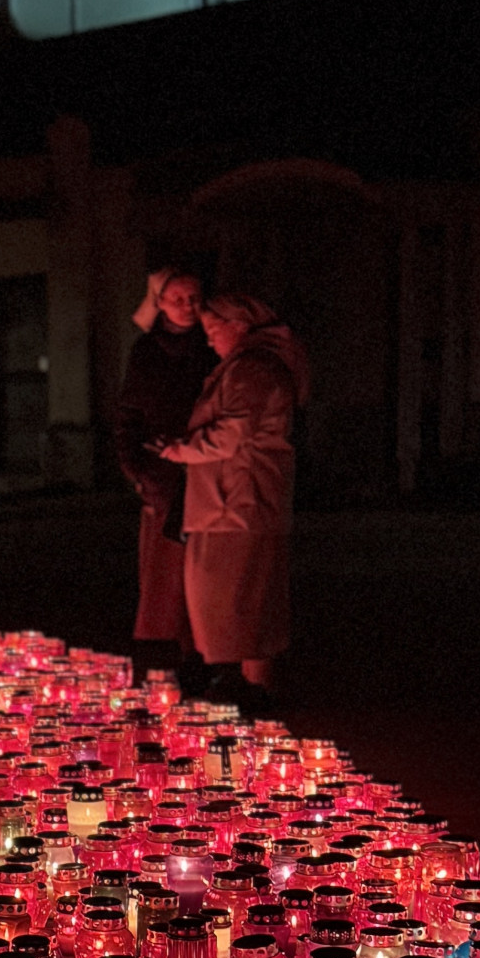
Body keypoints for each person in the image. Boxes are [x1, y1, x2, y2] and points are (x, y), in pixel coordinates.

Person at [156, 290, 311, 699]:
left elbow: (234, 433)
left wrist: (181, 450)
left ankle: (253, 691)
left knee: (241, 603)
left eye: (212, 329)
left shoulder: (253, 370)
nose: (208, 340)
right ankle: (244, 686)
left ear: (238, 326)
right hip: (229, 502)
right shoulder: (244, 368)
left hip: (237, 504)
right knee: (233, 602)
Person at [114, 268, 214, 677]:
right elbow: (129, 414)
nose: (186, 307)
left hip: (206, 469)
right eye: (177, 299)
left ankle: (204, 653)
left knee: (206, 571)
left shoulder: (212, 344)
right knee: (163, 569)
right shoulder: (146, 351)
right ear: (159, 302)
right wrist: (137, 470)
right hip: (162, 476)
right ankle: (162, 655)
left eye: (193, 298)